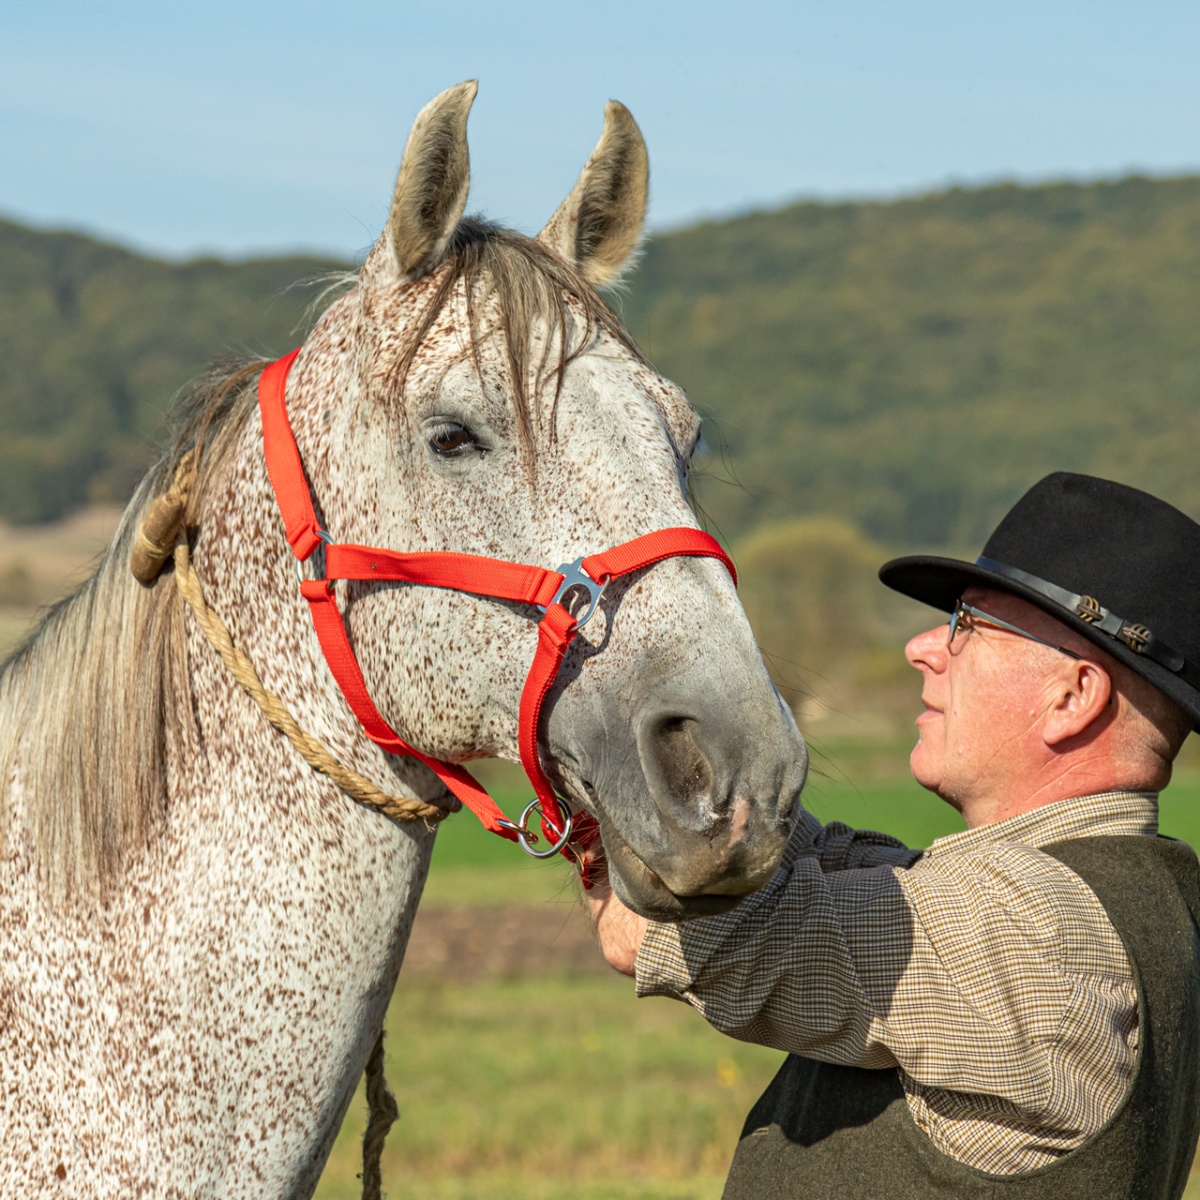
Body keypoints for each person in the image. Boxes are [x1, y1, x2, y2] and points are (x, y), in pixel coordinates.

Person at [585, 472, 1200, 1199]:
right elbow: (843, 866)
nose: (923, 647)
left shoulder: (1040, 932)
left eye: (966, 625)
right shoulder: (1138, 897)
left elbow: (685, 926)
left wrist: (582, 727)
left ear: (1072, 698)